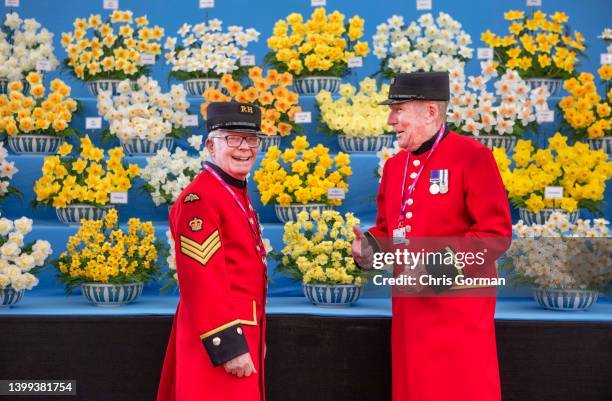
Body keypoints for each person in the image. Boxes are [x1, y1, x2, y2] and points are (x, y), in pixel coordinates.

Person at [351, 71, 512, 401]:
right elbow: (388, 228)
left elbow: (494, 234)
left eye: (399, 110)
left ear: (430, 112)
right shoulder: (395, 167)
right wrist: (368, 248)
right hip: (410, 314)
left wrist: (435, 269)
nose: (390, 119)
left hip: (456, 314)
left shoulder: (472, 156)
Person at [157, 102, 268, 401]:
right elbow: (202, 277)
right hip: (219, 340)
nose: (244, 147)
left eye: (252, 139)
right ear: (210, 145)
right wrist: (229, 346)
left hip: (241, 332)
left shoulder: (232, 191)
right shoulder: (200, 198)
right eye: (232, 138)